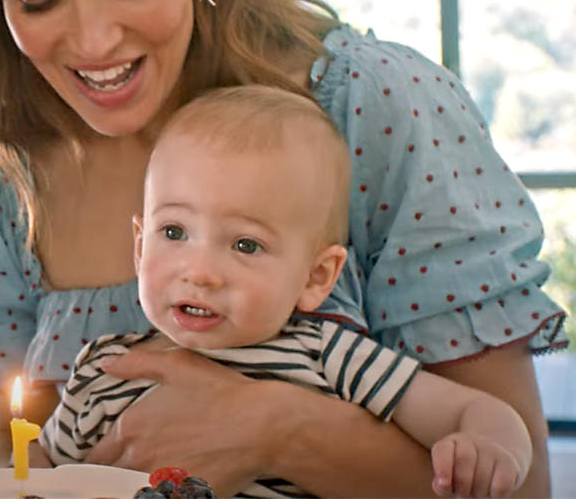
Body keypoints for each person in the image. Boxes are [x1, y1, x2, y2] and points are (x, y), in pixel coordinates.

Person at [0, 0, 566, 495]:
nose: (94, 41)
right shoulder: (3, 178)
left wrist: (278, 430)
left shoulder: (375, 108)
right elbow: (18, 467)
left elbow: (518, 487)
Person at [38, 86, 532, 498]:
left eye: (245, 244)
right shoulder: (103, 371)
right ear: (139, 245)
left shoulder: (326, 355)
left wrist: (490, 447)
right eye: (173, 233)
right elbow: (37, 469)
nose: (201, 271)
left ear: (316, 277)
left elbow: (473, 411)